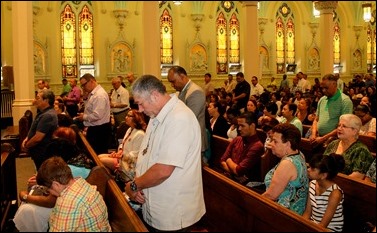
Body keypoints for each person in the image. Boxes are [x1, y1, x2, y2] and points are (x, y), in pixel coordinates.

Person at [124, 75, 205, 231]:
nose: (139, 110)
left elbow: (163, 170)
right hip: (153, 200)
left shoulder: (179, 118)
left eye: (140, 104)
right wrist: (138, 181)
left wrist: (134, 186)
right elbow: (146, 154)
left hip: (173, 209)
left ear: (154, 95)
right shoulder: (157, 115)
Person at [13, 127, 94, 232]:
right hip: (69, 203)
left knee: (27, 210)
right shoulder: (78, 158)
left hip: (68, 208)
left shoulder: (69, 169)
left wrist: (25, 196)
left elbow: (51, 201)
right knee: (30, 202)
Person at [35, 156, 111, 232]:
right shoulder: (81, 183)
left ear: (56, 185)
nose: (50, 193)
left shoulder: (68, 201)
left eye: (48, 190)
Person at [262, 123, 309, 215]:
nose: (271, 144)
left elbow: (271, 196)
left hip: (284, 214)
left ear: (287, 144)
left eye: (275, 141)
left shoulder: (287, 164)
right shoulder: (299, 154)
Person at [167, 66, 209, 163]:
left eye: (173, 81)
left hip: (194, 140)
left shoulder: (196, 92)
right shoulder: (181, 92)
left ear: (182, 76)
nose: (172, 85)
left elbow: (188, 118)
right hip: (185, 139)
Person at [98, 109, 147, 183]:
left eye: (129, 116)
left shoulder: (140, 134)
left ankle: (110, 181)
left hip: (128, 164)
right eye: (126, 115)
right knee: (99, 156)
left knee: (101, 160)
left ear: (136, 118)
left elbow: (135, 155)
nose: (126, 117)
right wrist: (119, 151)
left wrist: (121, 156)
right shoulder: (130, 129)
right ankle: (110, 178)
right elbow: (123, 143)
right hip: (122, 157)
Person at [303, 153, 346, 232]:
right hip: (314, 224)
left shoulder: (335, 193)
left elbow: (323, 225)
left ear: (323, 175)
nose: (308, 169)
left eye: (313, 169)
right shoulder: (312, 184)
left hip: (329, 229)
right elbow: (307, 213)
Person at [323, 114, 374, 180]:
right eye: (339, 125)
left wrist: (330, 182)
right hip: (324, 180)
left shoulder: (361, 150)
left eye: (344, 126)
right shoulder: (333, 143)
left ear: (354, 131)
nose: (339, 128)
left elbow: (357, 177)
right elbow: (322, 163)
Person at [309, 74, 353, 149]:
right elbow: (316, 119)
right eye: (322, 88)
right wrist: (313, 134)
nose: (323, 90)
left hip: (334, 141)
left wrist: (323, 138)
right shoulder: (322, 99)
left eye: (326, 88)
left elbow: (343, 127)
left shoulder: (345, 101)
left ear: (334, 84)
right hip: (319, 138)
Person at [220, 112, 265, 183]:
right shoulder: (237, 139)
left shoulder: (257, 146)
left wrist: (228, 160)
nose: (239, 129)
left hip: (244, 185)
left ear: (252, 126)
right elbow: (222, 161)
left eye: (242, 126)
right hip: (230, 178)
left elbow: (238, 171)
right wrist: (234, 172)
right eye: (239, 126)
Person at [22, 89, 58, 170]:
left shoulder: (48, 115)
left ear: (46, 100)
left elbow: (38, 138)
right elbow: (34, 129)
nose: (34, 101)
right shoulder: (43, 113)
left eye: (37, 98)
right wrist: (27, 138)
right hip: (39, 151)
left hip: (42, 152)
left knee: (42, 175)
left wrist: (27, 146)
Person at [76, 73, 112, 154]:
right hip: (96, 128)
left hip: (99, 130)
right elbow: (90, 108)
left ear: (91, 81)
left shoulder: (99, 95)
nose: (83, 88)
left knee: (98, 154)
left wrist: (84, 117)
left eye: (84, 85)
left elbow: (97, 115)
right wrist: (85, 98)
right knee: (93, 153)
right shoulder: (93, 93)